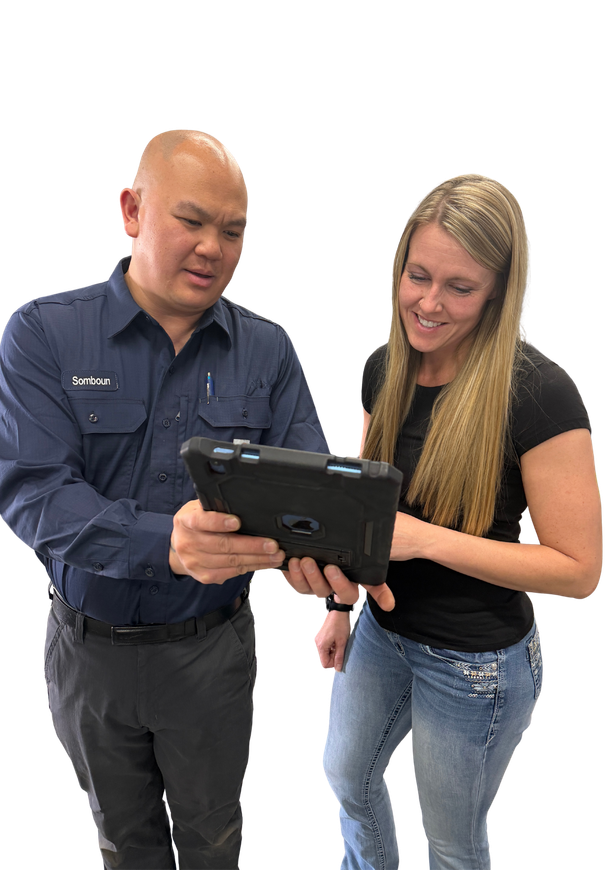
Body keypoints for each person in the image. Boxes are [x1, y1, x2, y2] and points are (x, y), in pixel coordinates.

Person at [0, 128, 394, 870]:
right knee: (123, 841)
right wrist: (161, 541)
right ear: (131, 210)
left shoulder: (267, 349)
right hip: (88, 654)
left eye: (232, 231)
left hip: (210, 651)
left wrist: (329, 568)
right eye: (192, 220)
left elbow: (306, 484)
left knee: (211, 838)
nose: (212, 247)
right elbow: (32, 494)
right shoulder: (42, 333)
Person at [282, 173, 603, 869]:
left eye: (458, 287)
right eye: (416, 276)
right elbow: (367, 509)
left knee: (453, 846)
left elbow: (577, 571)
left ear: (497, 290)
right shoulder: (381, 369)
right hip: (381, 629)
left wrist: (425, 539)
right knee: (347, 779)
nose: (427, 303)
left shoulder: (539, 393)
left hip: (475, 664)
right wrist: (341, 605)